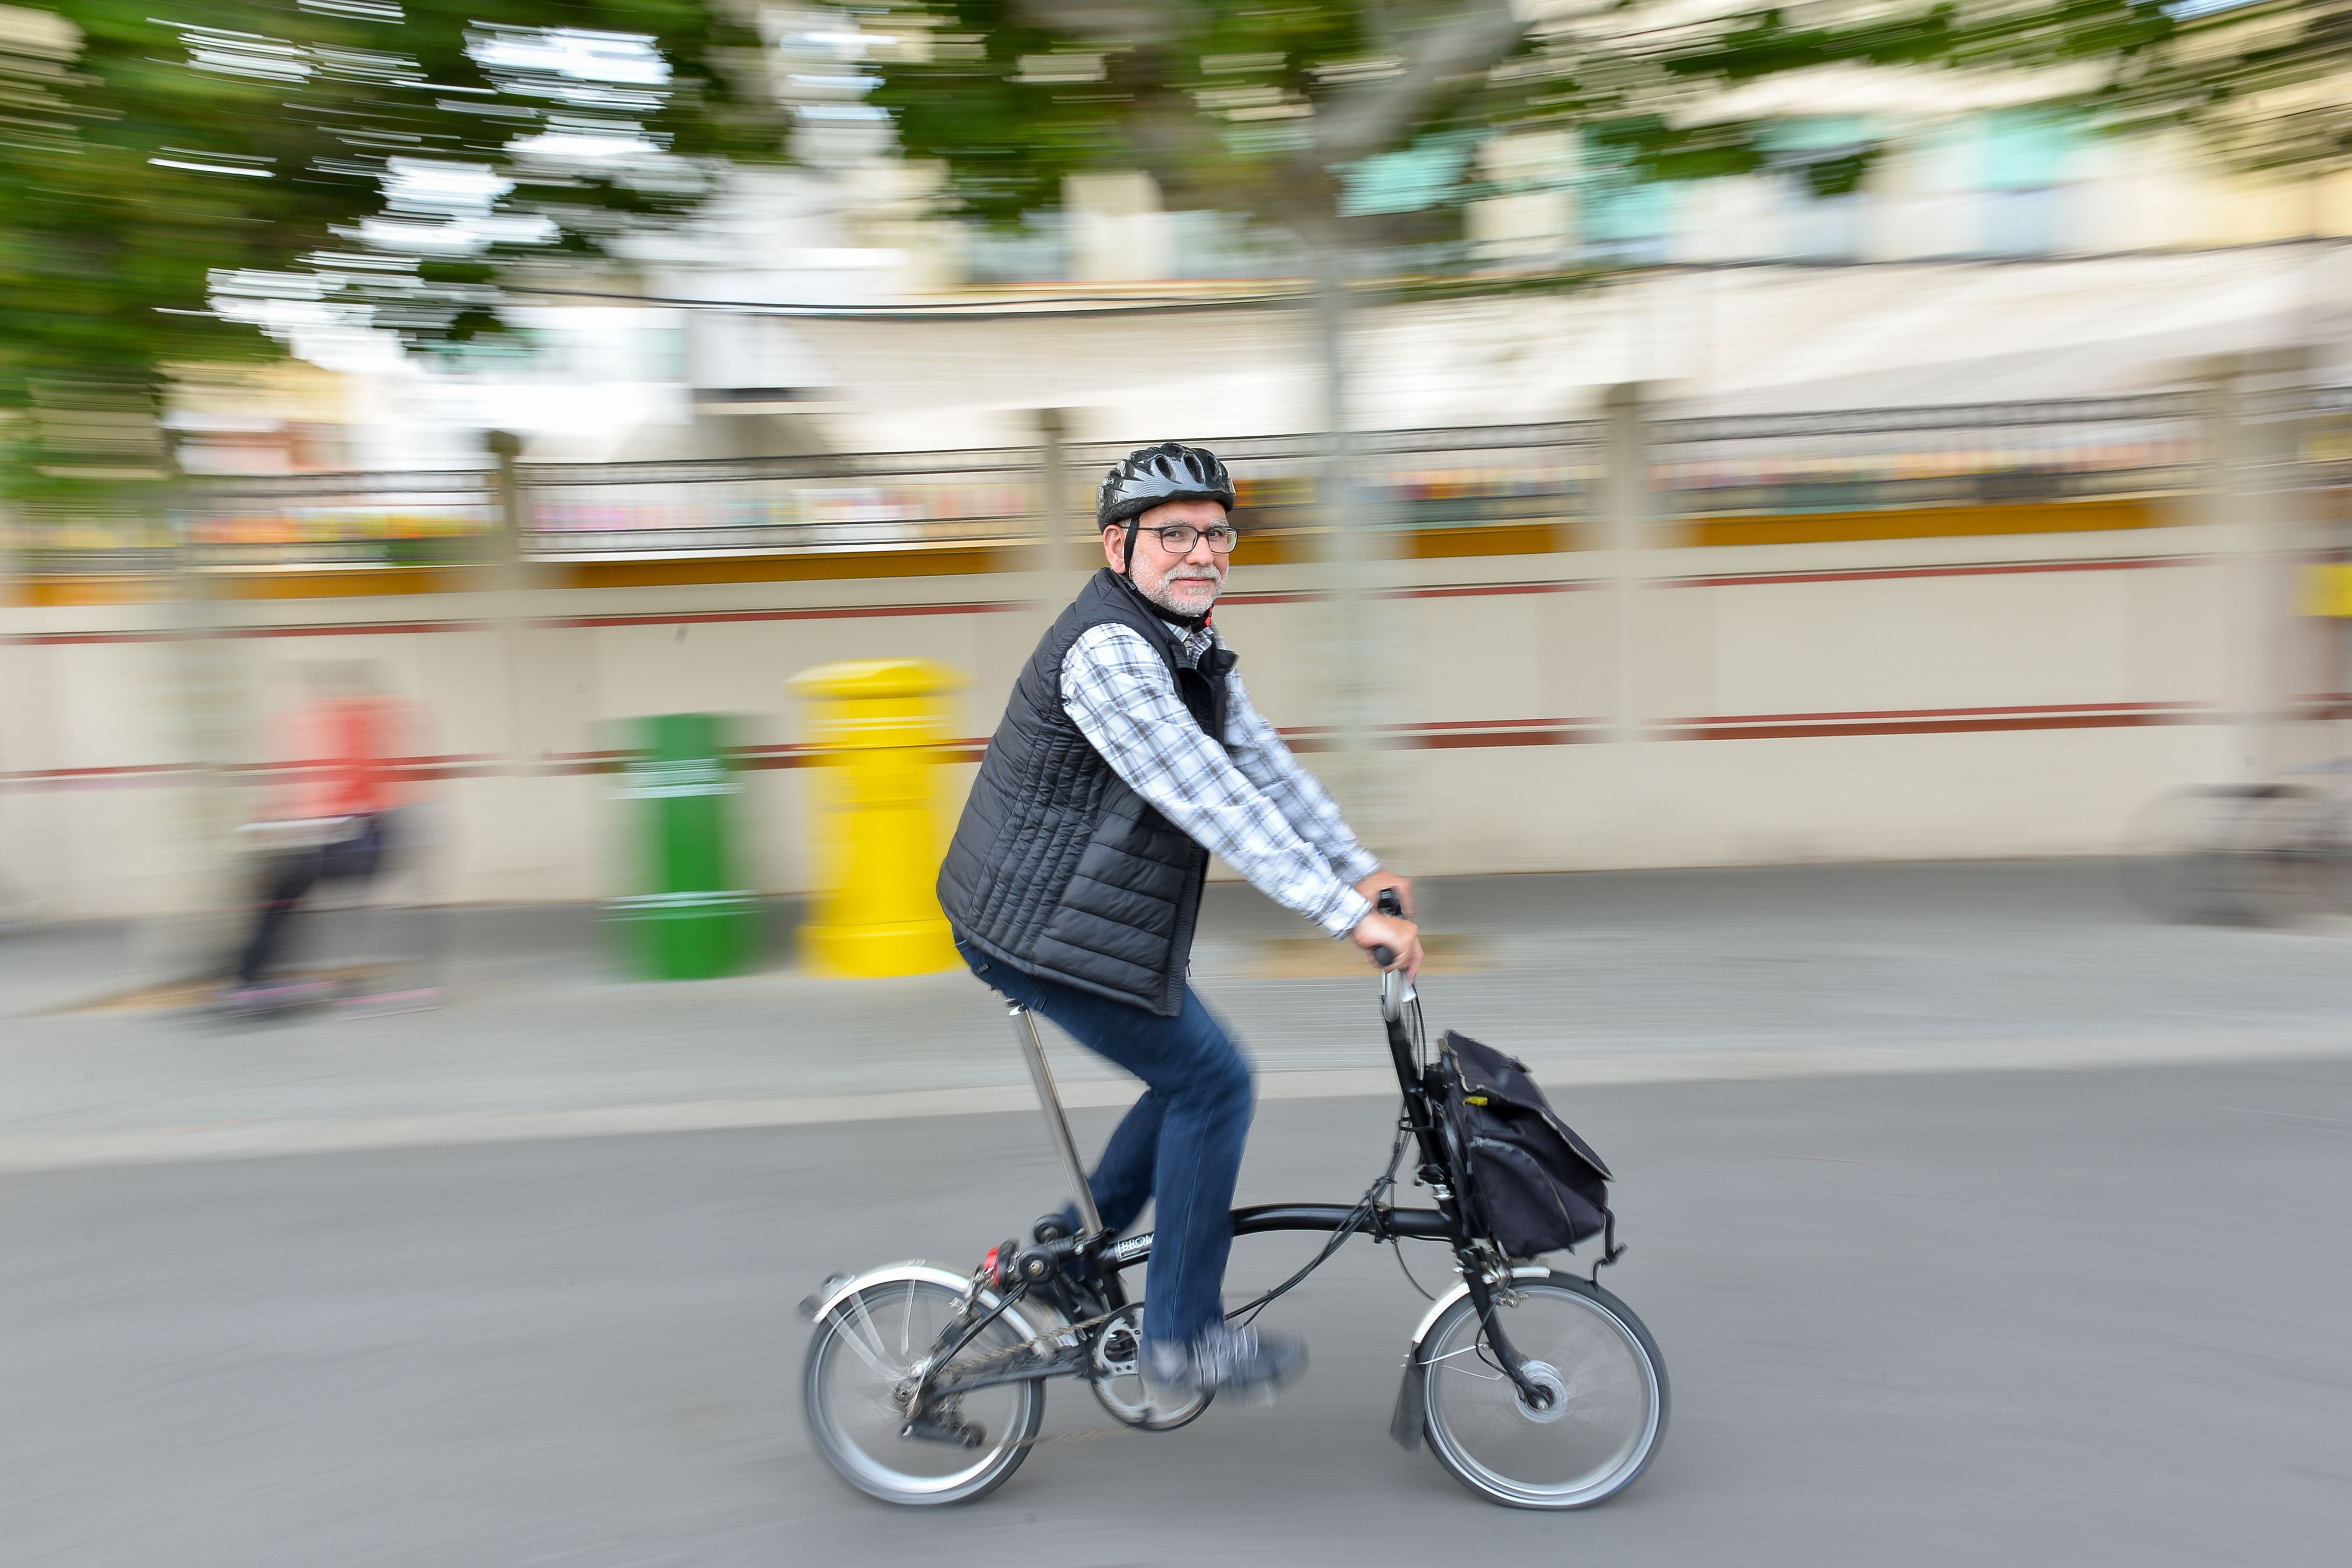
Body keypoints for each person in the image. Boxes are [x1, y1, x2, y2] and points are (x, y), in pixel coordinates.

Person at [937, 440, 1422, 1399]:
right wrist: (1341, 913)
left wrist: (1355, 864)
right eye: (1174, 535)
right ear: (1118, 546)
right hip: (1032, 926)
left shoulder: (1186, 641)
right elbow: (1213, 799)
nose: (1202, 552)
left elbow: (1265, 765)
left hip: (1088, 916)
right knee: (1214, 1081)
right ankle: (1181, 1334)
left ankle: (1073, 1253)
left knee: (1185, 1079)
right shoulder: (1112, 652)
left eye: (1216, 533)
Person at [224, 662, 419, 1010]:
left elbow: (341, 793)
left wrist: (268, 819)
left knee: (283, 888)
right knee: (284, 890)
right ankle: (252, 971)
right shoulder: (365, 722)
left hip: (362, 841)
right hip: (356, 839)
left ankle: (250, 974)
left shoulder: (352, 725)